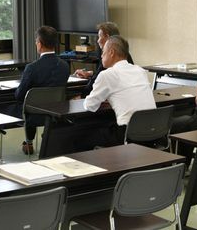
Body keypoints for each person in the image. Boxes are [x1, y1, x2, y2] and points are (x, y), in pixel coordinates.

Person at [83, 35, 155, 146]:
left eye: (103, 52)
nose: (101, 56)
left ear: (111, 52)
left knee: (81, 137)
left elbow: (90, 106)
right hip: (153, 131)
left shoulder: (107, 75)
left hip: (127, 134)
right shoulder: (140, 70)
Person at [14, 26, 69, 155]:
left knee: (24, 105)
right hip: (56, 111)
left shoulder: (32, 68)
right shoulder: (64, 66)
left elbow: (19, 95)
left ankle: (29, 142)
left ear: (40, 44)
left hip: (34, 115)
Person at [73, 22, 134, 96]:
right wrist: (90, 73)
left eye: (99, 37)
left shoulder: (108, 58)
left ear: (107, 38)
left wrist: (80, 96)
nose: (98, 41)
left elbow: (92, 86)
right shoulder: (124, 54)